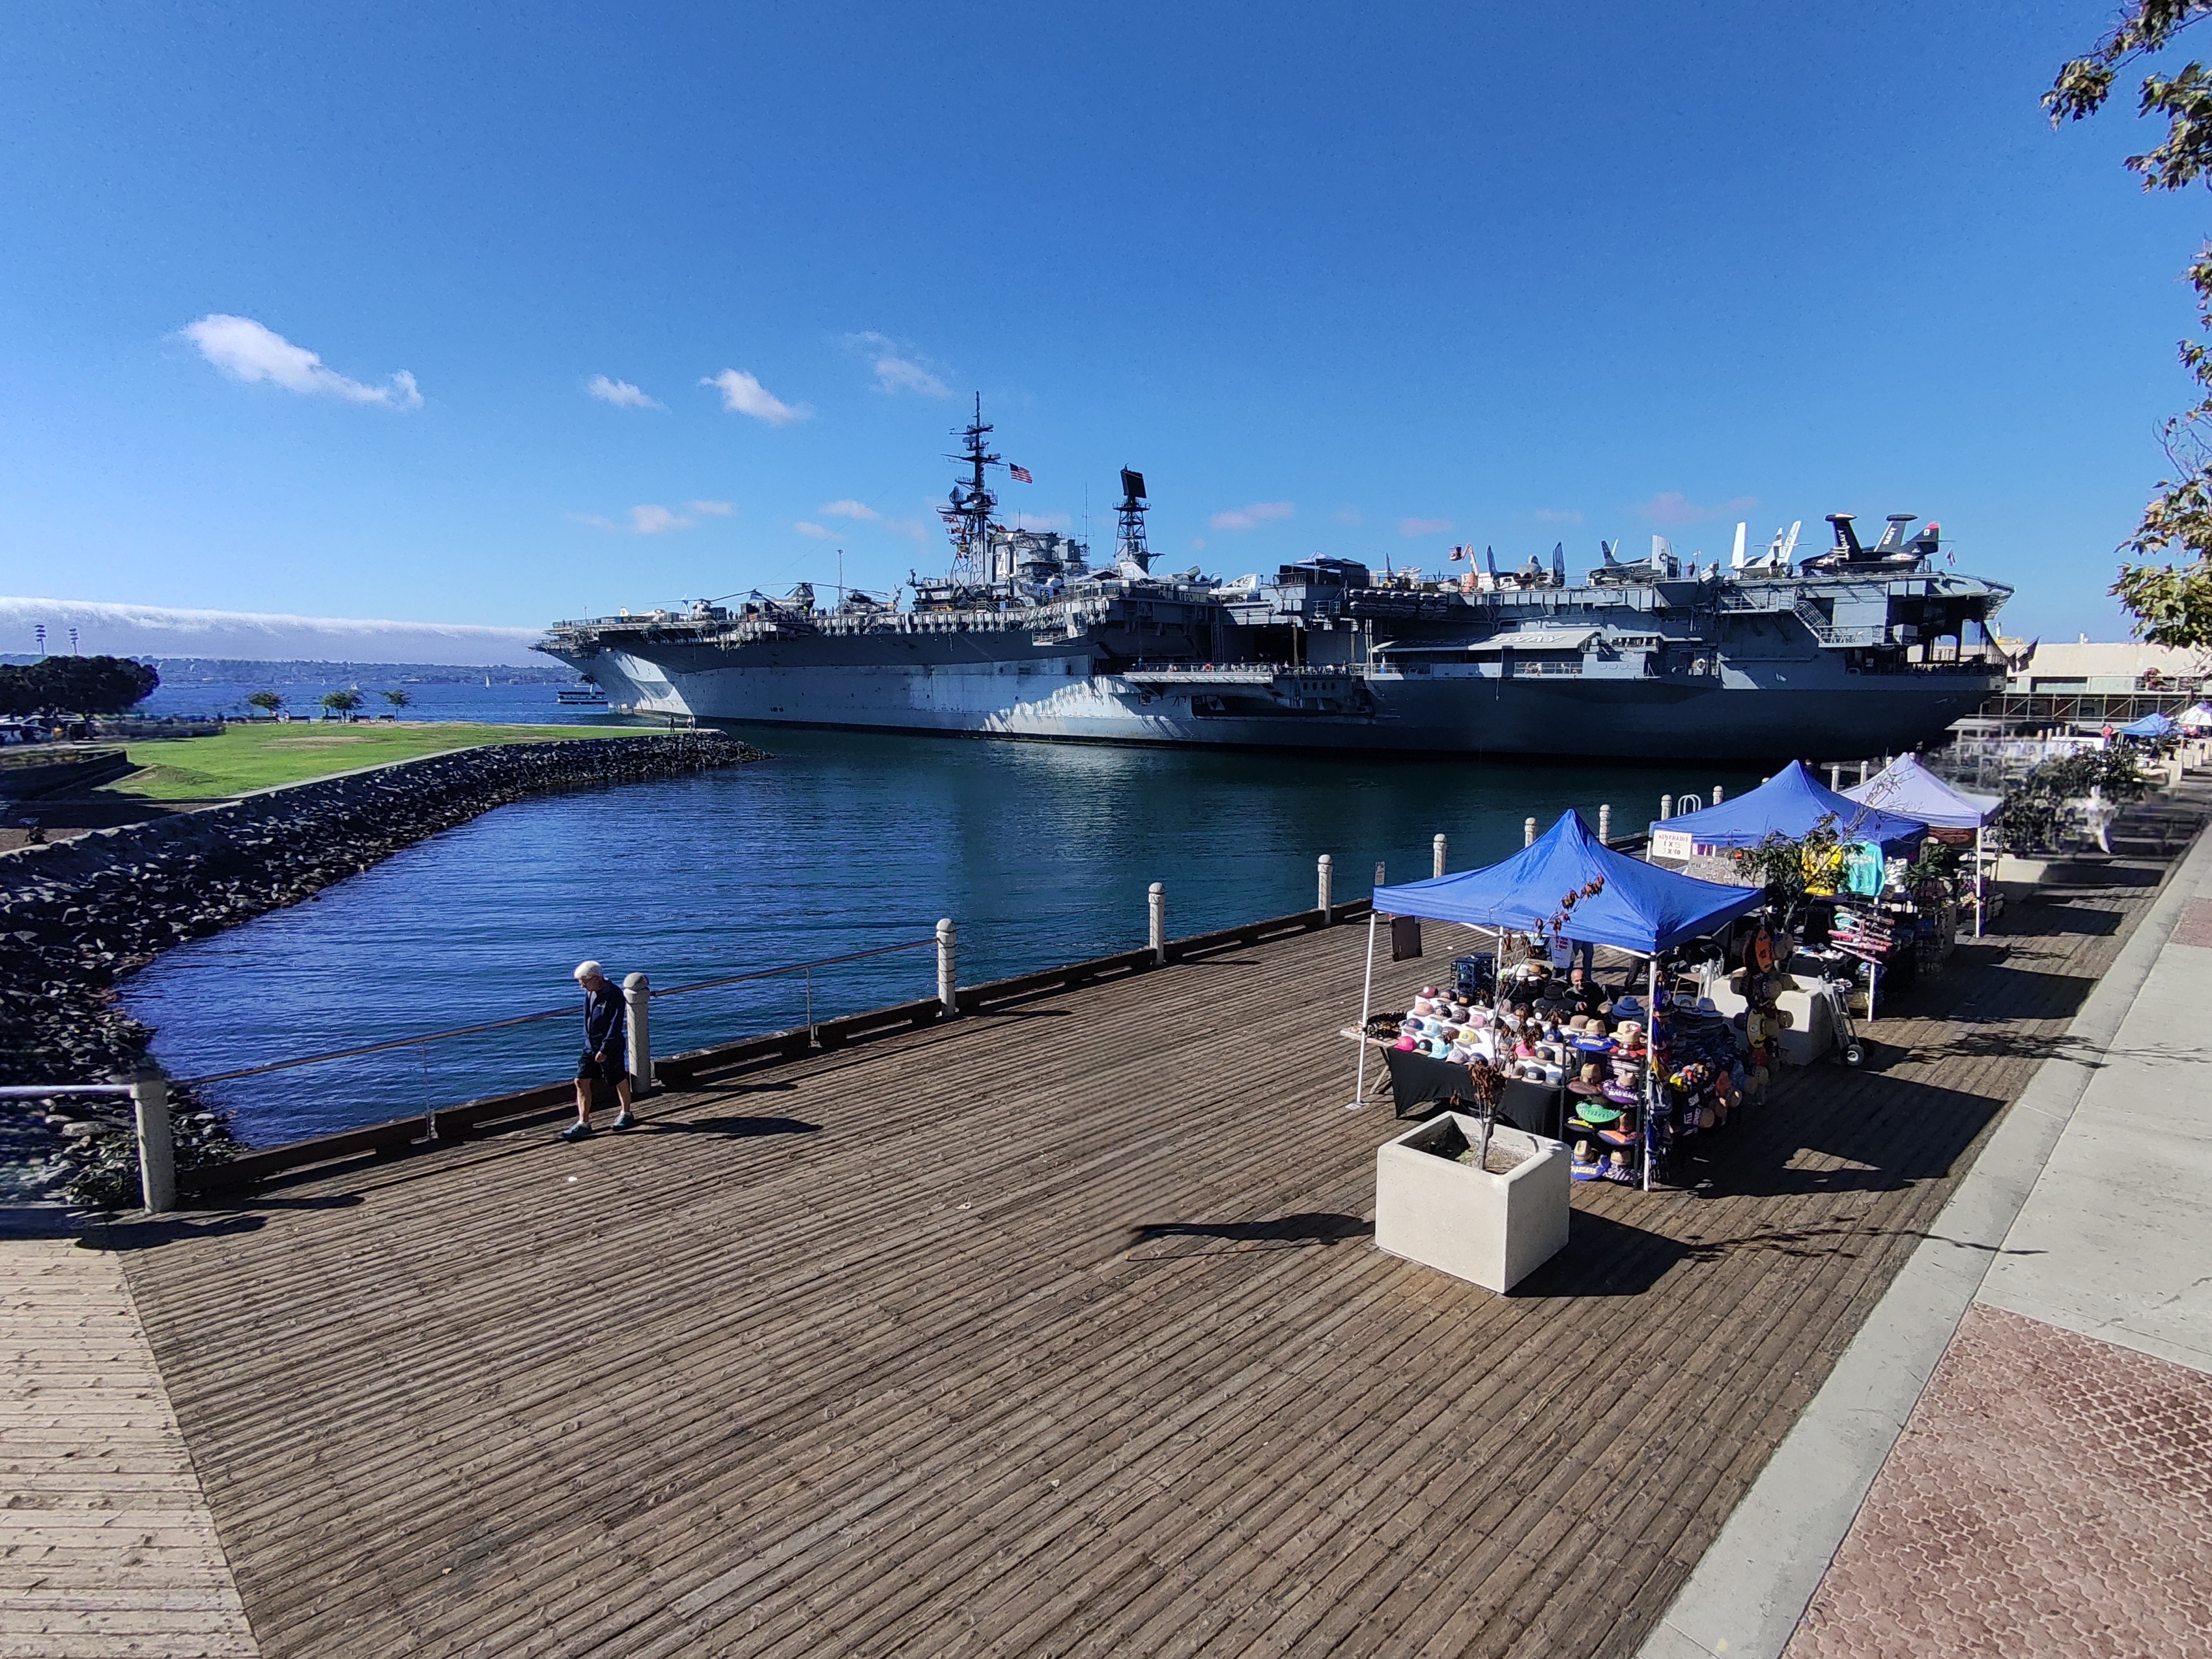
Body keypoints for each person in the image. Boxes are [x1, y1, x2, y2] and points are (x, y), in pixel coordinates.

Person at [564, 960, 635, 1141]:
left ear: (596, 979)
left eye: (584, 981)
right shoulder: (590, 993)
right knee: (581, 1080)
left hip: (609, 1047)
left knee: (618, 1078)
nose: (581, 985)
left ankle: (626, 1112)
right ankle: (583, 1122)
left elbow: (615, 1024)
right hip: (590, 1046)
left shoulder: (614, 994)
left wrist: (605, 1048)